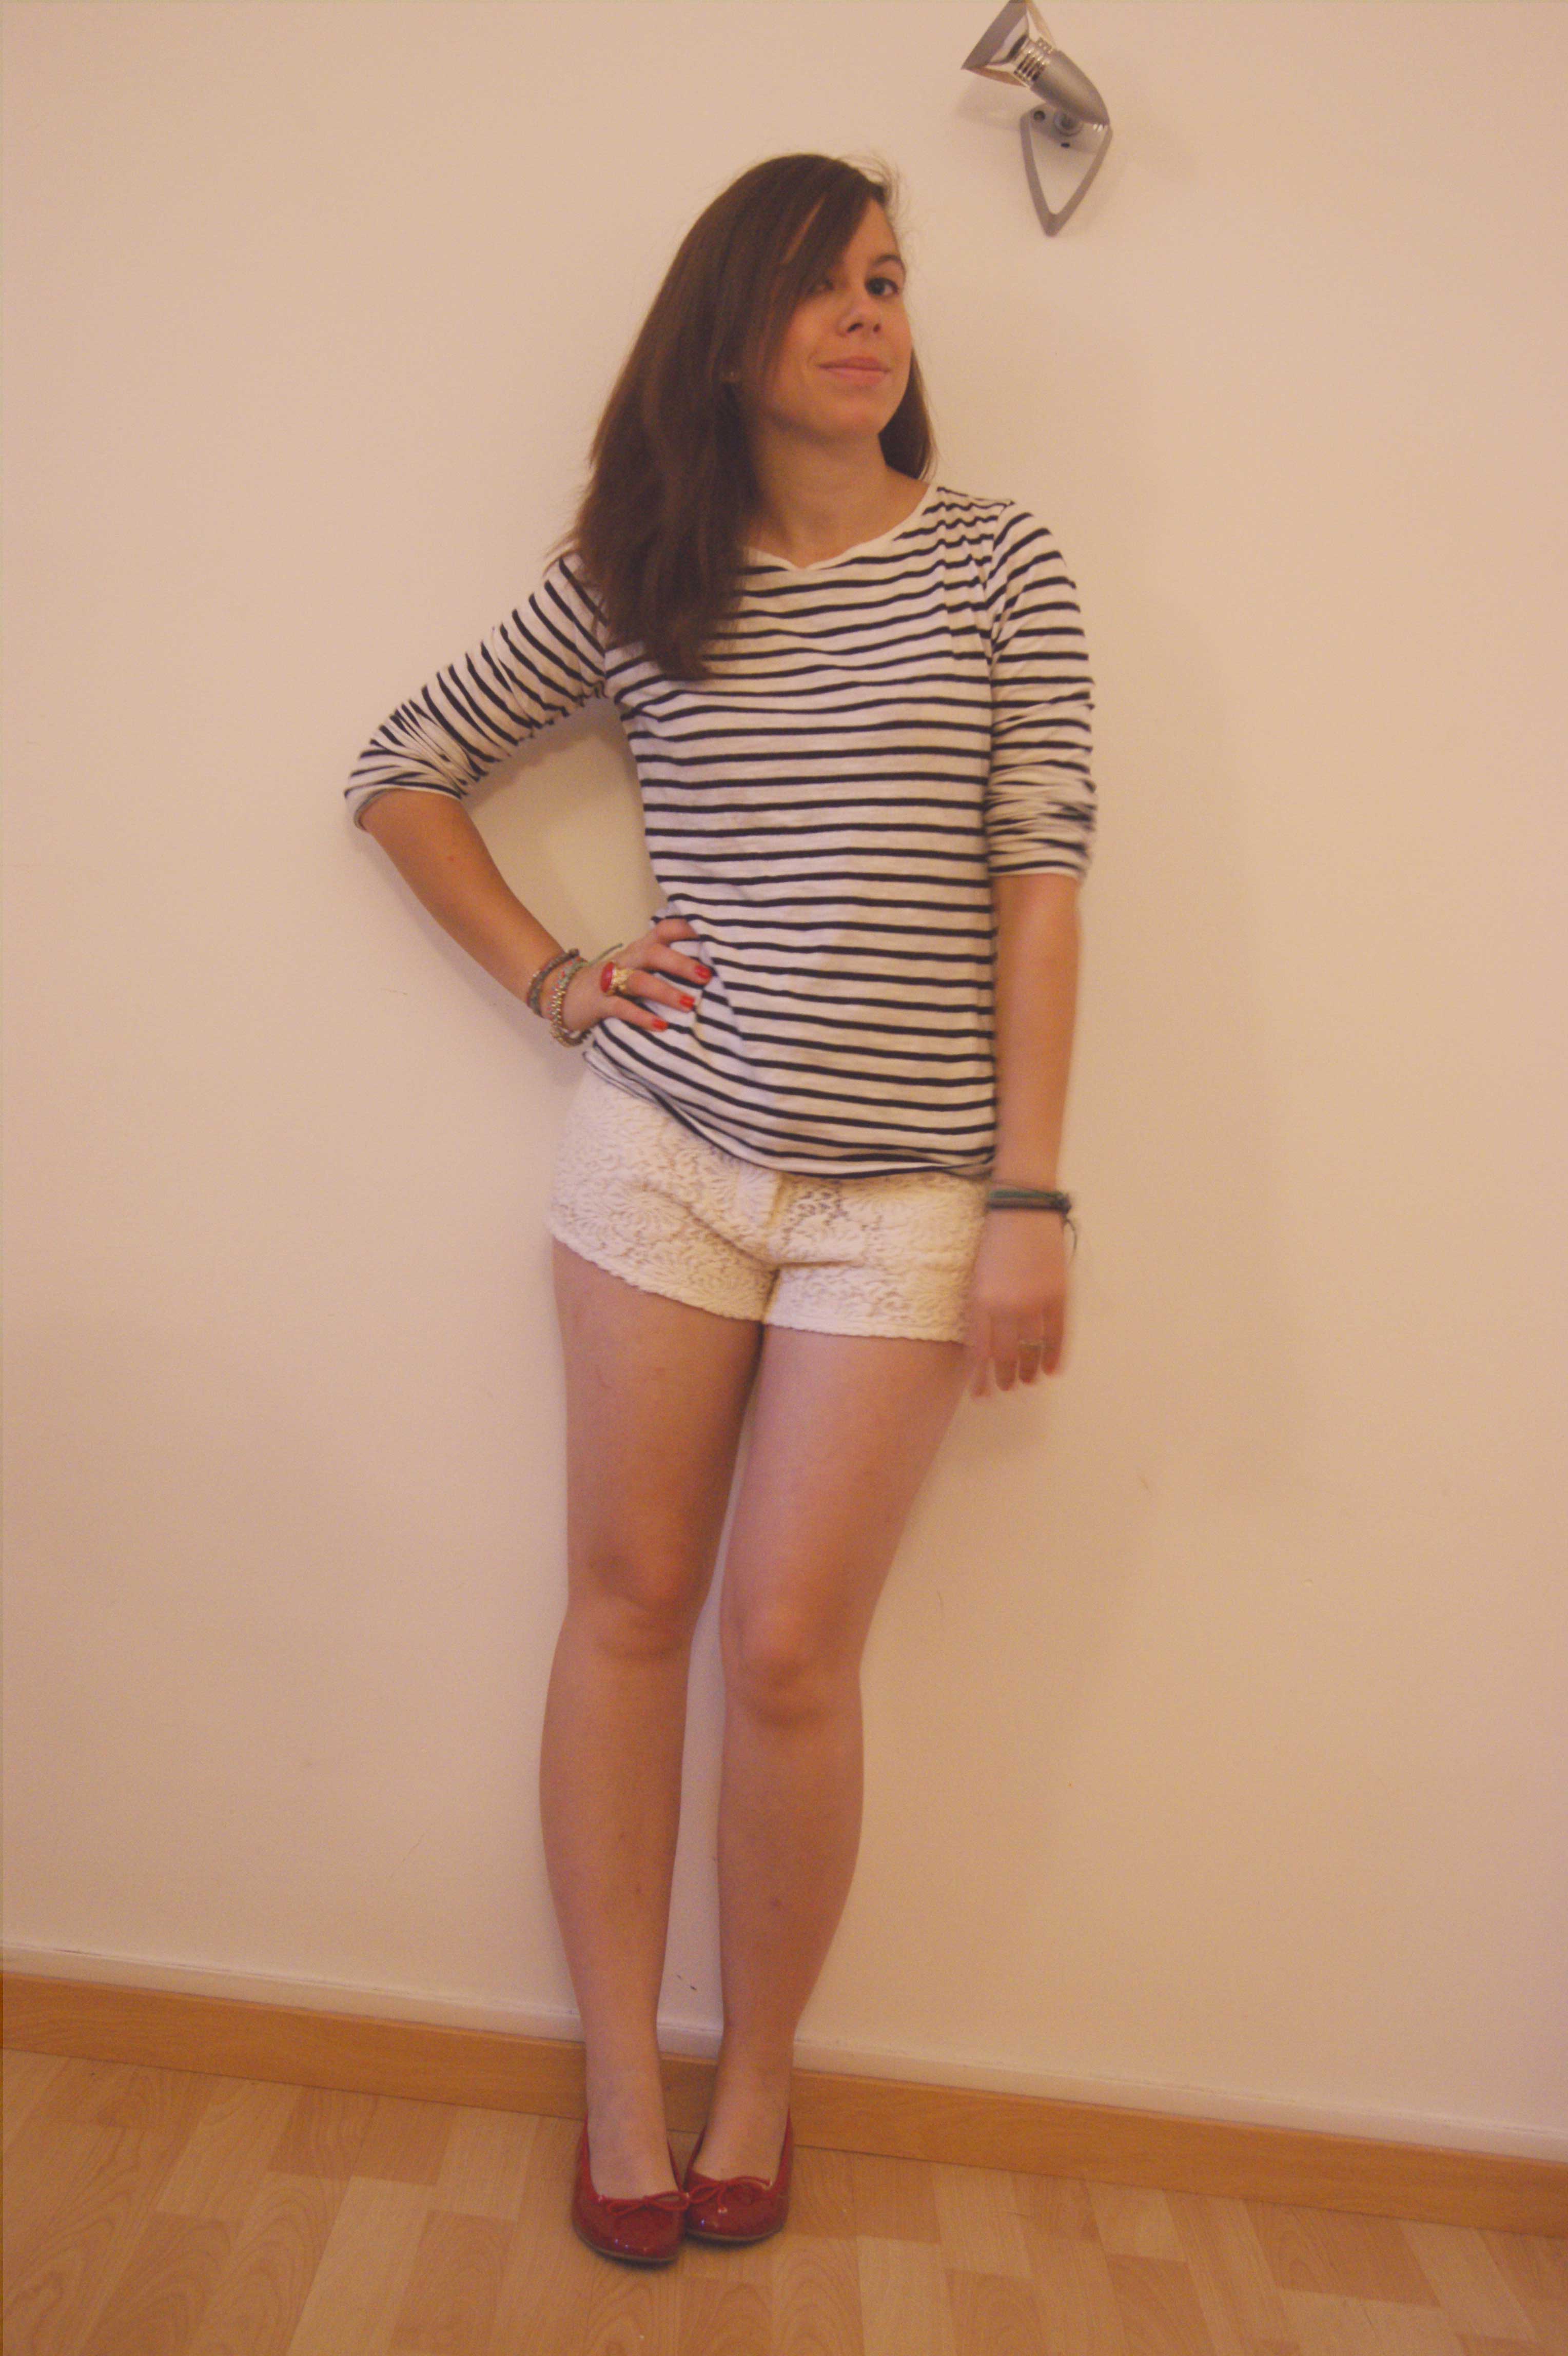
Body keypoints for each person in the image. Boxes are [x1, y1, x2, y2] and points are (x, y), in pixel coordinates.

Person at [345, 151, 1095, 2266]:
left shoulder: (998, 564)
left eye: (888, 279)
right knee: (629, 1599)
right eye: (818, 285)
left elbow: (1040, 887)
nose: (867, 317)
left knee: (783, 1649)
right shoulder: (642, 576)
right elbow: (403, 769)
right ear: (725, 333)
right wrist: (558, 978)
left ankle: (756, 2073)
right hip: (663, 1156)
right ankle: (617, 2079)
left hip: (907, 1192)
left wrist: (1029, 1194)